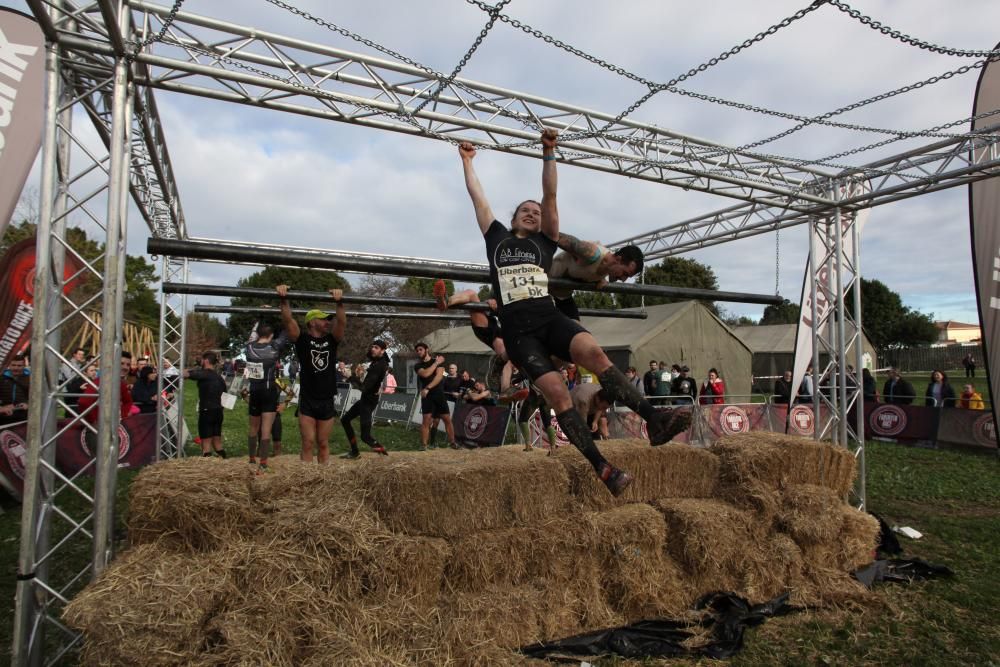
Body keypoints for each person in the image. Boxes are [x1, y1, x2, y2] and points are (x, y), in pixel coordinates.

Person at [457, 129, 688, 497]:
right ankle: (604, 468)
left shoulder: (545, 240)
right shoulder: (496, 238)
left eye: (536, 212)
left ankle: (655, 418)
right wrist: (468, 163)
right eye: (526, 211)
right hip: (520, 334)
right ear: (513, 217)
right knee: (558, 397)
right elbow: (479, 200)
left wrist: (549, 152)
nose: (533, 213)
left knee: (595, 355)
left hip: (549, 317)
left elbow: (550, 193)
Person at [278, 284, 346, 464]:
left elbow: (342, 322)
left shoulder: (331, 340)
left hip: (326, 399)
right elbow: (288, 320)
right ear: (312, 322)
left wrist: (339, 303)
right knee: (307, 443)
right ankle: (306, 479)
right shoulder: (302, 340)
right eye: (323, 319)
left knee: (323, 443)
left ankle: (323, 479)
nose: (328, 322)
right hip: (308, 399)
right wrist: (283, 298)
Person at [546, 233, 643, 321]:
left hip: (562, 297)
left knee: (580, 336)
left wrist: (601, 279)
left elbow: (593, 271)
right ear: (618, 259)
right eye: (625, 273)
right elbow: (552, 234)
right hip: (540, 289)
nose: (623, 279)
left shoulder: (607, 270)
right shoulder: (591, 253)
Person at [245, 321, 289, 471]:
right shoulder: (274, 346)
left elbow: (253, 333)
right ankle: (263, 463)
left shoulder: (249, 347)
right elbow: (286, 330)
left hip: (254, 391)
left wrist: (260, 318)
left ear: (258, 333)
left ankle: (251, 459)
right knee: (265, 429)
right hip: (269, 392)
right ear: (271, 335)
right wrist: (280, 314)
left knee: (253, 427)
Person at [340, 339, 391, 459]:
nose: (373, 349)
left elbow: (364, 388)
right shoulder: (377, 361)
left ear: (383, 351)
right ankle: (355, 452)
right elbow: (369, 354)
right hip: (366, 400)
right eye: (372, 346)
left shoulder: (379, 366)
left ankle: (385, 456)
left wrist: (349, 377)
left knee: (365, 436)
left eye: (376, 348)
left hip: (368, 402)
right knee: (345, 420)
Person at [414, 342, 458, 450]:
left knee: (447, 419)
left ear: (426, 349)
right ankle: (424, 445)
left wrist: (428, 388)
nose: (419, 352)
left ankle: (453, 443)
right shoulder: (418, 365)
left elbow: (438, 377)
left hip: (438, 394)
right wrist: (436, 363)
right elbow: (425, 374)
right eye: (417, 350)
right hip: (427, 397)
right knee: (426, 421)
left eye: (420, 349)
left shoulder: (437, 362)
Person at [184, 351, 228, 458]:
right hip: (218, 411)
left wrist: (183, 371)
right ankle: (224, 461)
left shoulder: (205, 374)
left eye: (202, 360)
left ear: (206, 361)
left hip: (207, 410)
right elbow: (225, 394)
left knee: (206, 442)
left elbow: (186, 374)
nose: (201, 362)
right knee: (217, 441)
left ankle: (207, 461)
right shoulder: (219, 378)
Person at [0, 355, 31, 426]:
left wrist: (28, 404)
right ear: (9, 365)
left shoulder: (31, 378)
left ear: (24, 366)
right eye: (13, 365)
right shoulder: (1, 377)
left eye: (19, 366)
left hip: (23, 416)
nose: (16, 368)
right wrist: (2, 408)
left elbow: (38, 397)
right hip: (3, 416)